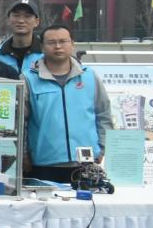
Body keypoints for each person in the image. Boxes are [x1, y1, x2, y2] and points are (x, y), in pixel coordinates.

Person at [24, 25, 112, 183]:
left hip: (85, 163)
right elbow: (20, 121)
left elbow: (103, 114)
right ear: (42, 46)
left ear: (72, 44)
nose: (58, 46)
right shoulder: (29, 79)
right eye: (51, 42)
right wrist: (24, 153)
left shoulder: (89, 76)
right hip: (44, 163)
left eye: (63, 41)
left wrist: (103, 147)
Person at [0, 0, 44, 74]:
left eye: (27, 16)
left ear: (37, 22)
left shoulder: (46, 54)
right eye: (16, 15)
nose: (21, 21)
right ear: (8, 20)